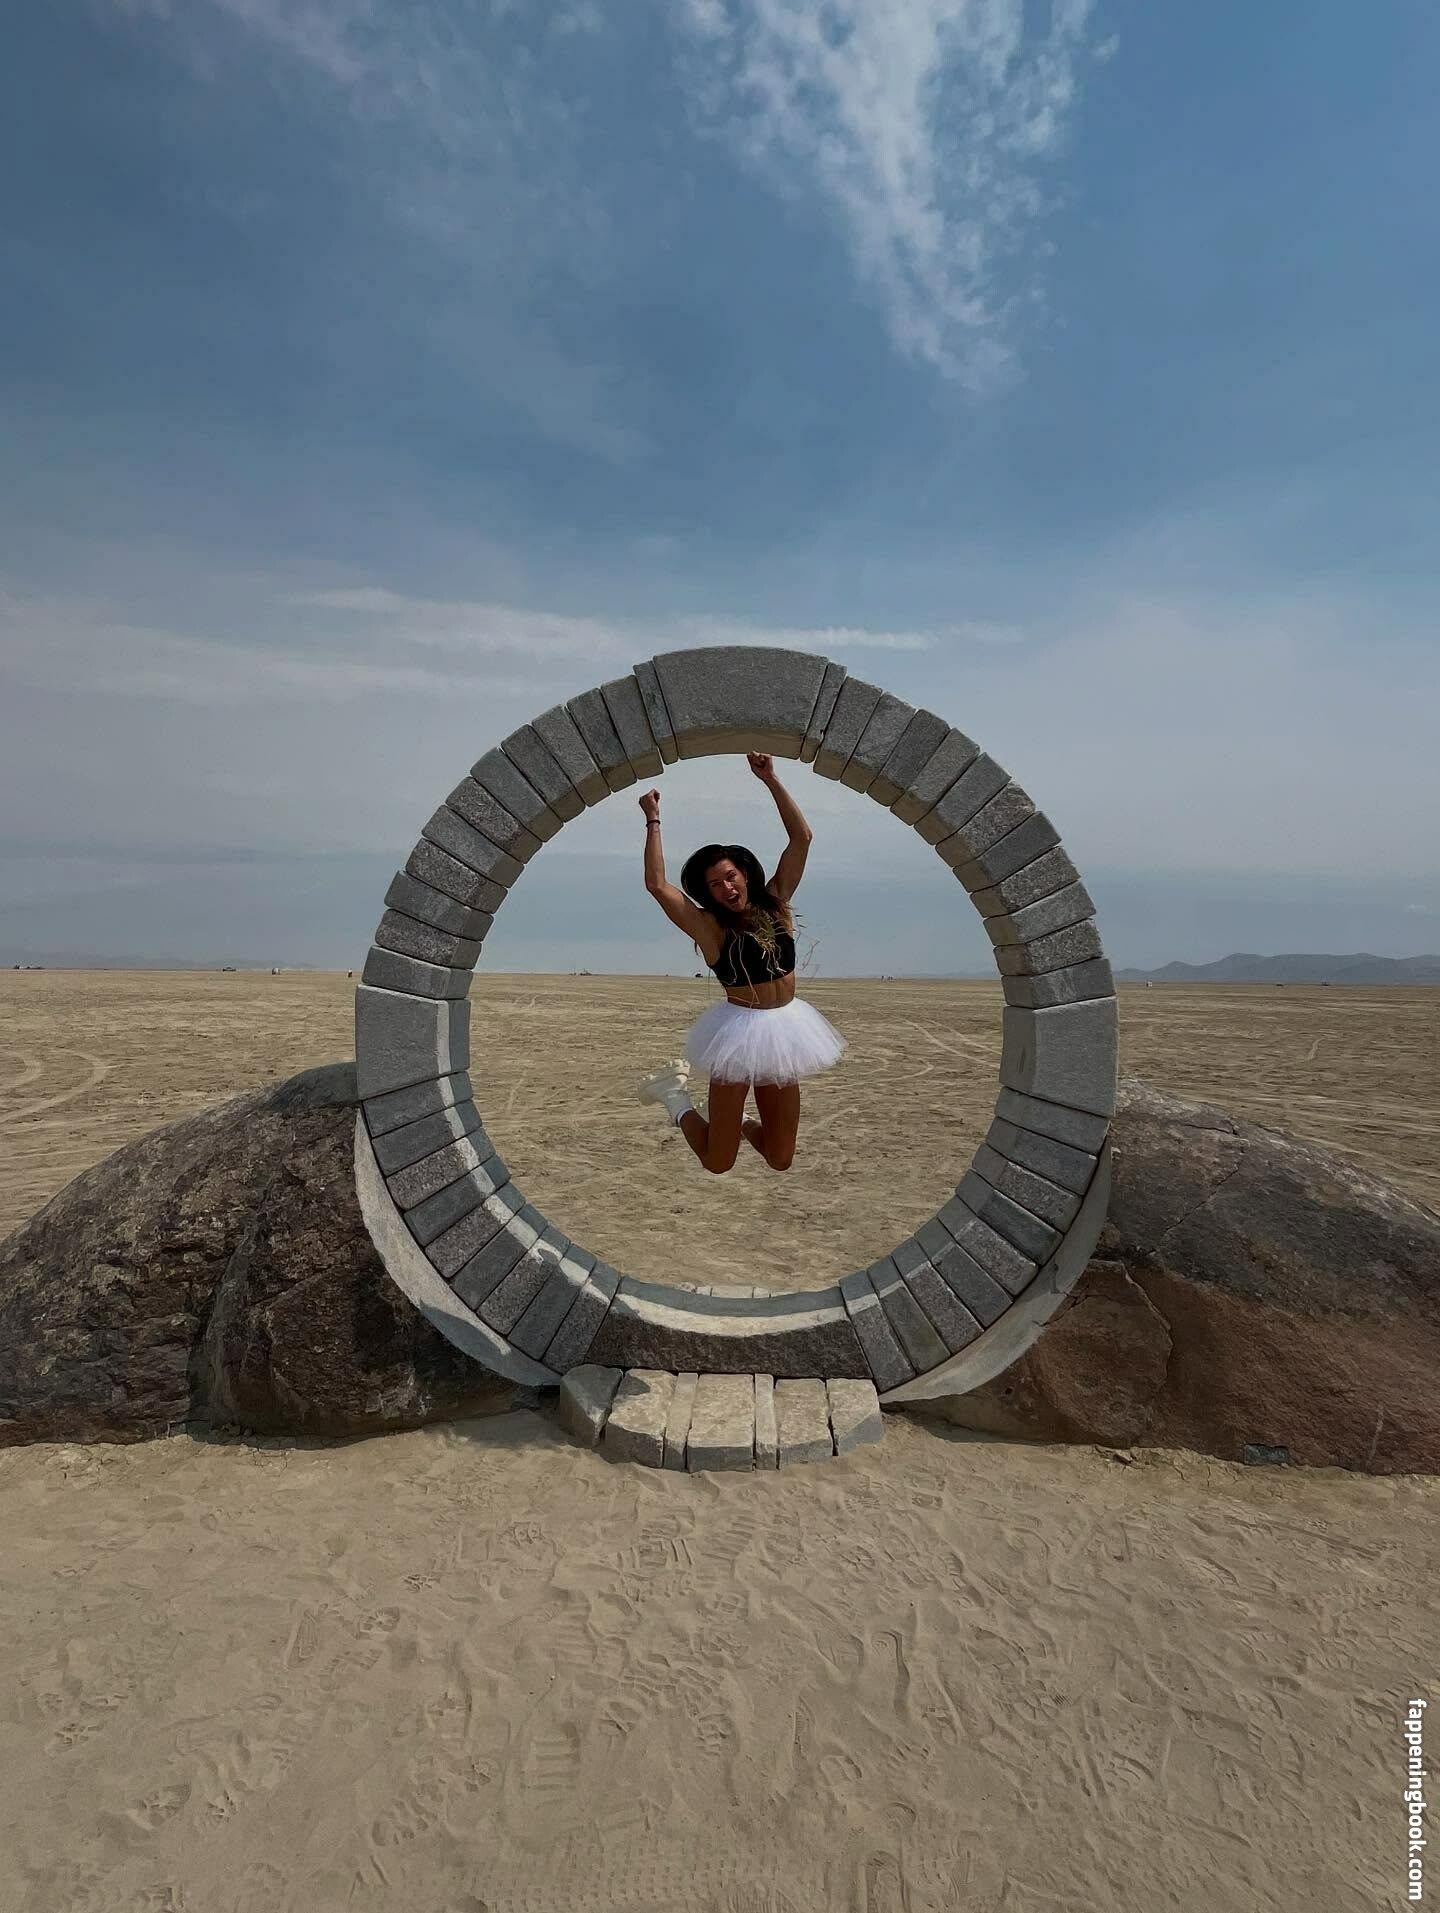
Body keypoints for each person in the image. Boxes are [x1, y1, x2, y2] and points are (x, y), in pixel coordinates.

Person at [637, 752, 846, 1173]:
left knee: (780, 1158)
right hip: (737, 1033)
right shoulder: (709, 927)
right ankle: (675, 1099)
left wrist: (771, 780)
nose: (726, 888)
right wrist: (653, 819)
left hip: (786, 1031)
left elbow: (802, 839)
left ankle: (740, 1121)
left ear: (745, 874)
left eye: (730, 877)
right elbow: (657, 885)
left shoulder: (777, 902)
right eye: (715, 884)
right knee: (719, 1161)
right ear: (708, 892)